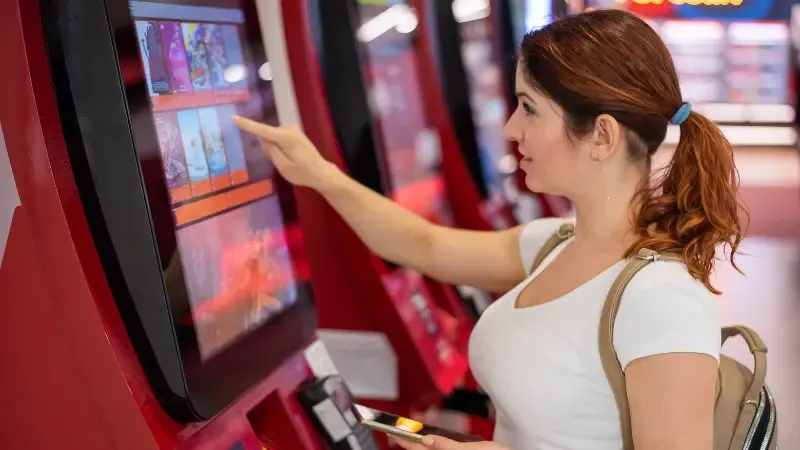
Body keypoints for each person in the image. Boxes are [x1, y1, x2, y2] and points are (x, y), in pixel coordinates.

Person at [233, 9, 745, 450]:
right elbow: (424, 245)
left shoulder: (662, 298)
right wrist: (319, 174)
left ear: (602, 136)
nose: (510, 128)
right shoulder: (554, 243)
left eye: (529, 109)